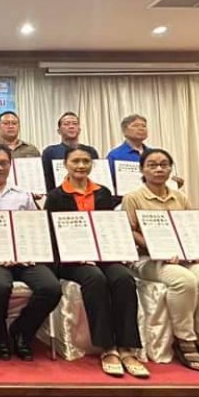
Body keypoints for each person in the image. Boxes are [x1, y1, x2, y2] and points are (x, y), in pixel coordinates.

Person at [45, 147, 148, 378]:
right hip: (72, 260)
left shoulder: (103, 193)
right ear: (66, 164)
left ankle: (127, 347)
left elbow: (110, 227)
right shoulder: (56, 196)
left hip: (103, 254)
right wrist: (76, 254)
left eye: (86, 161)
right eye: (75, 161)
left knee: (123, 278)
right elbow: (51, 234)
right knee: (95, 279)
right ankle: (107, 348)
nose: (81, 166)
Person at [122, 149, 199, 373]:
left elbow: (190, 227)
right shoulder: (133, 198)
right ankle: (184, 339)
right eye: (152, 165)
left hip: (182, 256)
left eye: (164, 164)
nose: (159, 169)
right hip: (148, 259)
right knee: (184, 280)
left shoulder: (181, 197)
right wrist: (155, 248)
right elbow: (129, 231)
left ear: (171, 168)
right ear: (142, 170)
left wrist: (195, 249)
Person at [0, 143, 61, 363]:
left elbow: (35, 226)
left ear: (11, 165)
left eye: (4, 163)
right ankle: (0, 334)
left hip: (24, 257)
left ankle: (22, 331)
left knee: (51, 288)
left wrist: (28, 251)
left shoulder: (23, 195)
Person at [41, 112, 99, 192]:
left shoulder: (90, 151)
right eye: (66, 124)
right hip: (59, 195)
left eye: (75, 124)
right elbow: (46, 178)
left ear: (79, 129)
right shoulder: (50, 152)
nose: (71, 126)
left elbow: (96, 176)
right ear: (59, 131)